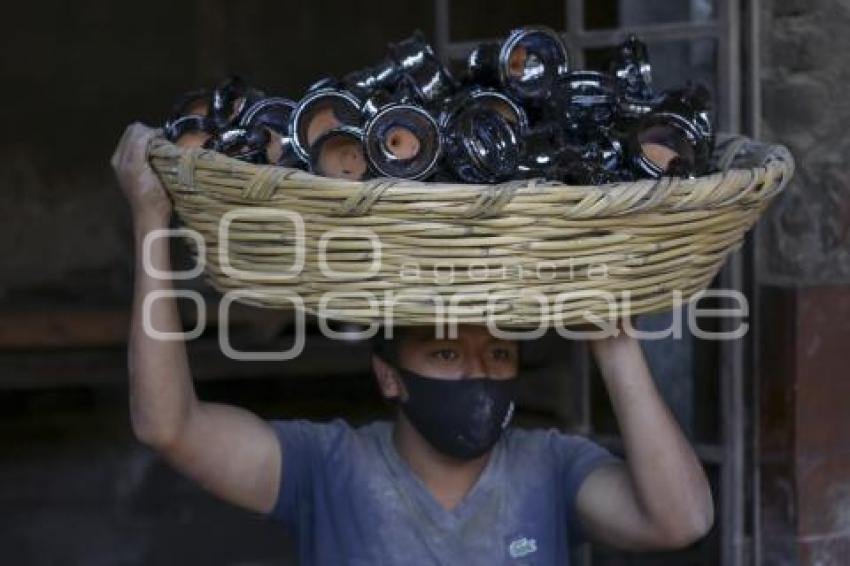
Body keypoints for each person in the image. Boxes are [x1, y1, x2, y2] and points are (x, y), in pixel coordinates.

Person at [112, 123, 714, 565]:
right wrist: (149, 224)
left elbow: (681, 520)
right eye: (445, 354)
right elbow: (169, 426)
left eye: (498, 354)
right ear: (389, 375)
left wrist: (615, 347)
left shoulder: (551, 468)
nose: (478, 372)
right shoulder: (323, 468)